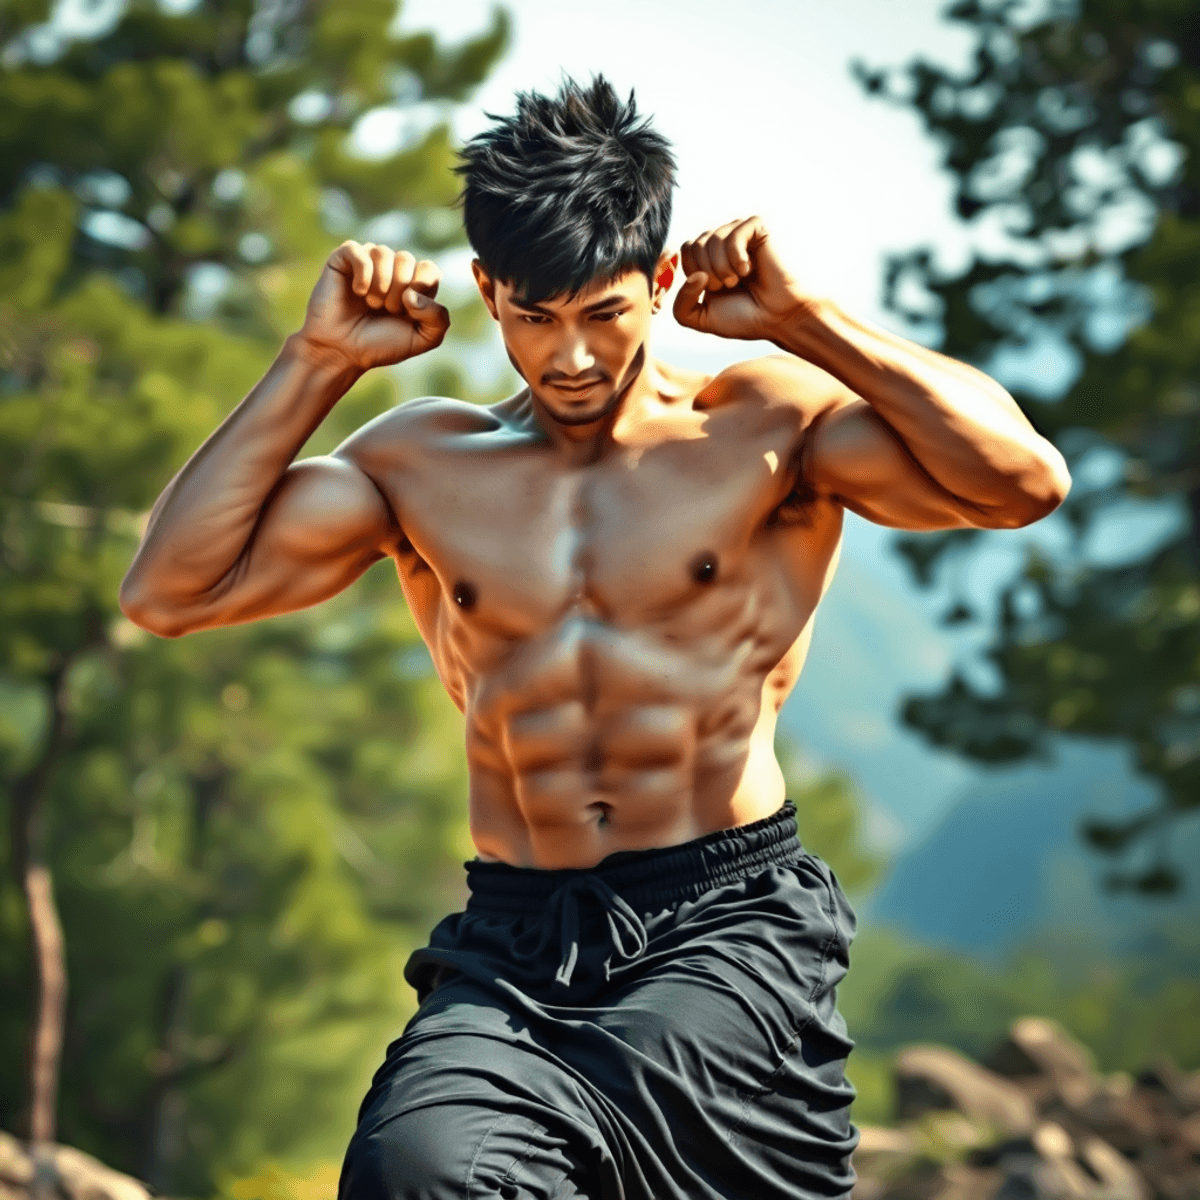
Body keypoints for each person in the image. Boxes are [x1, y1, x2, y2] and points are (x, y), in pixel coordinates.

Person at [120, 76, 1070, 1200]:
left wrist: (807, 320)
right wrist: (318, 362)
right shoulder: (421, 463)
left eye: (602, 314)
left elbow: (1022, 483)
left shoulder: (762, 428)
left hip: (724, 921)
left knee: (657, 1110)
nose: (568, 357)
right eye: (533, 317)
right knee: (412, 1169)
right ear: (488, 292)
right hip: (514, 934)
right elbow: (170, 592)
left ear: (660, 283)